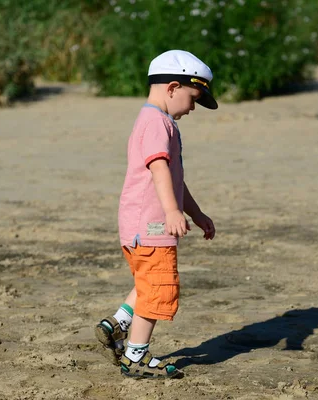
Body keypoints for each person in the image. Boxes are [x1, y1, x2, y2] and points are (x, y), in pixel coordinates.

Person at [94, 50, 218, 379]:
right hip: (150, 226)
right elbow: (159, 166)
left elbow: (175, 180)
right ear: (173, 87)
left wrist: (196, 212)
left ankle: (117, 325)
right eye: (194, 98)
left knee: (147, 281)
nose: (192, 108)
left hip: (137, 226)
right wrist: (172, 211)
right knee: (158, 288)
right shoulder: (157, 123)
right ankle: (135, 356)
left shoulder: (156, 121)